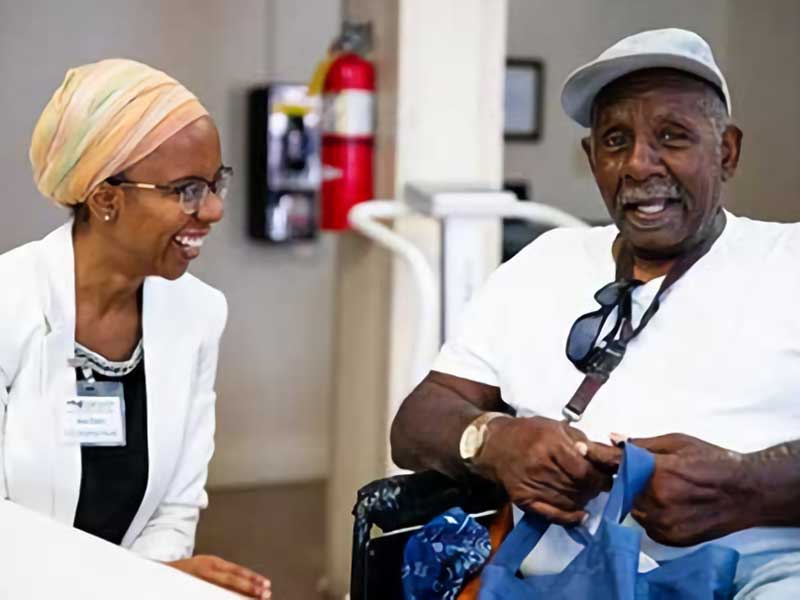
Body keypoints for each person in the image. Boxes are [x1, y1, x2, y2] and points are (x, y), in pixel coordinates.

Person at [391, 28, 800, 597]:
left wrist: (747, 484)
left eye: (672, 137)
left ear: (726, 151)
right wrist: (495, 440)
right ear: (591, 157)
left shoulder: (789, 263)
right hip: (566, 578)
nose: (638, 164)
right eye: (614, 141)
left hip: (756, 578)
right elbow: (416, 423)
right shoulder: (545, 262)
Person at [0, 59, 271, 599]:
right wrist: (128, 585)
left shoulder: (197, 314)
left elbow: (176, 506)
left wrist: (149, 583)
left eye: (216, 183)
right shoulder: (9, 305)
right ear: (106, 198)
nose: (214, 209)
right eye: (187, 190)